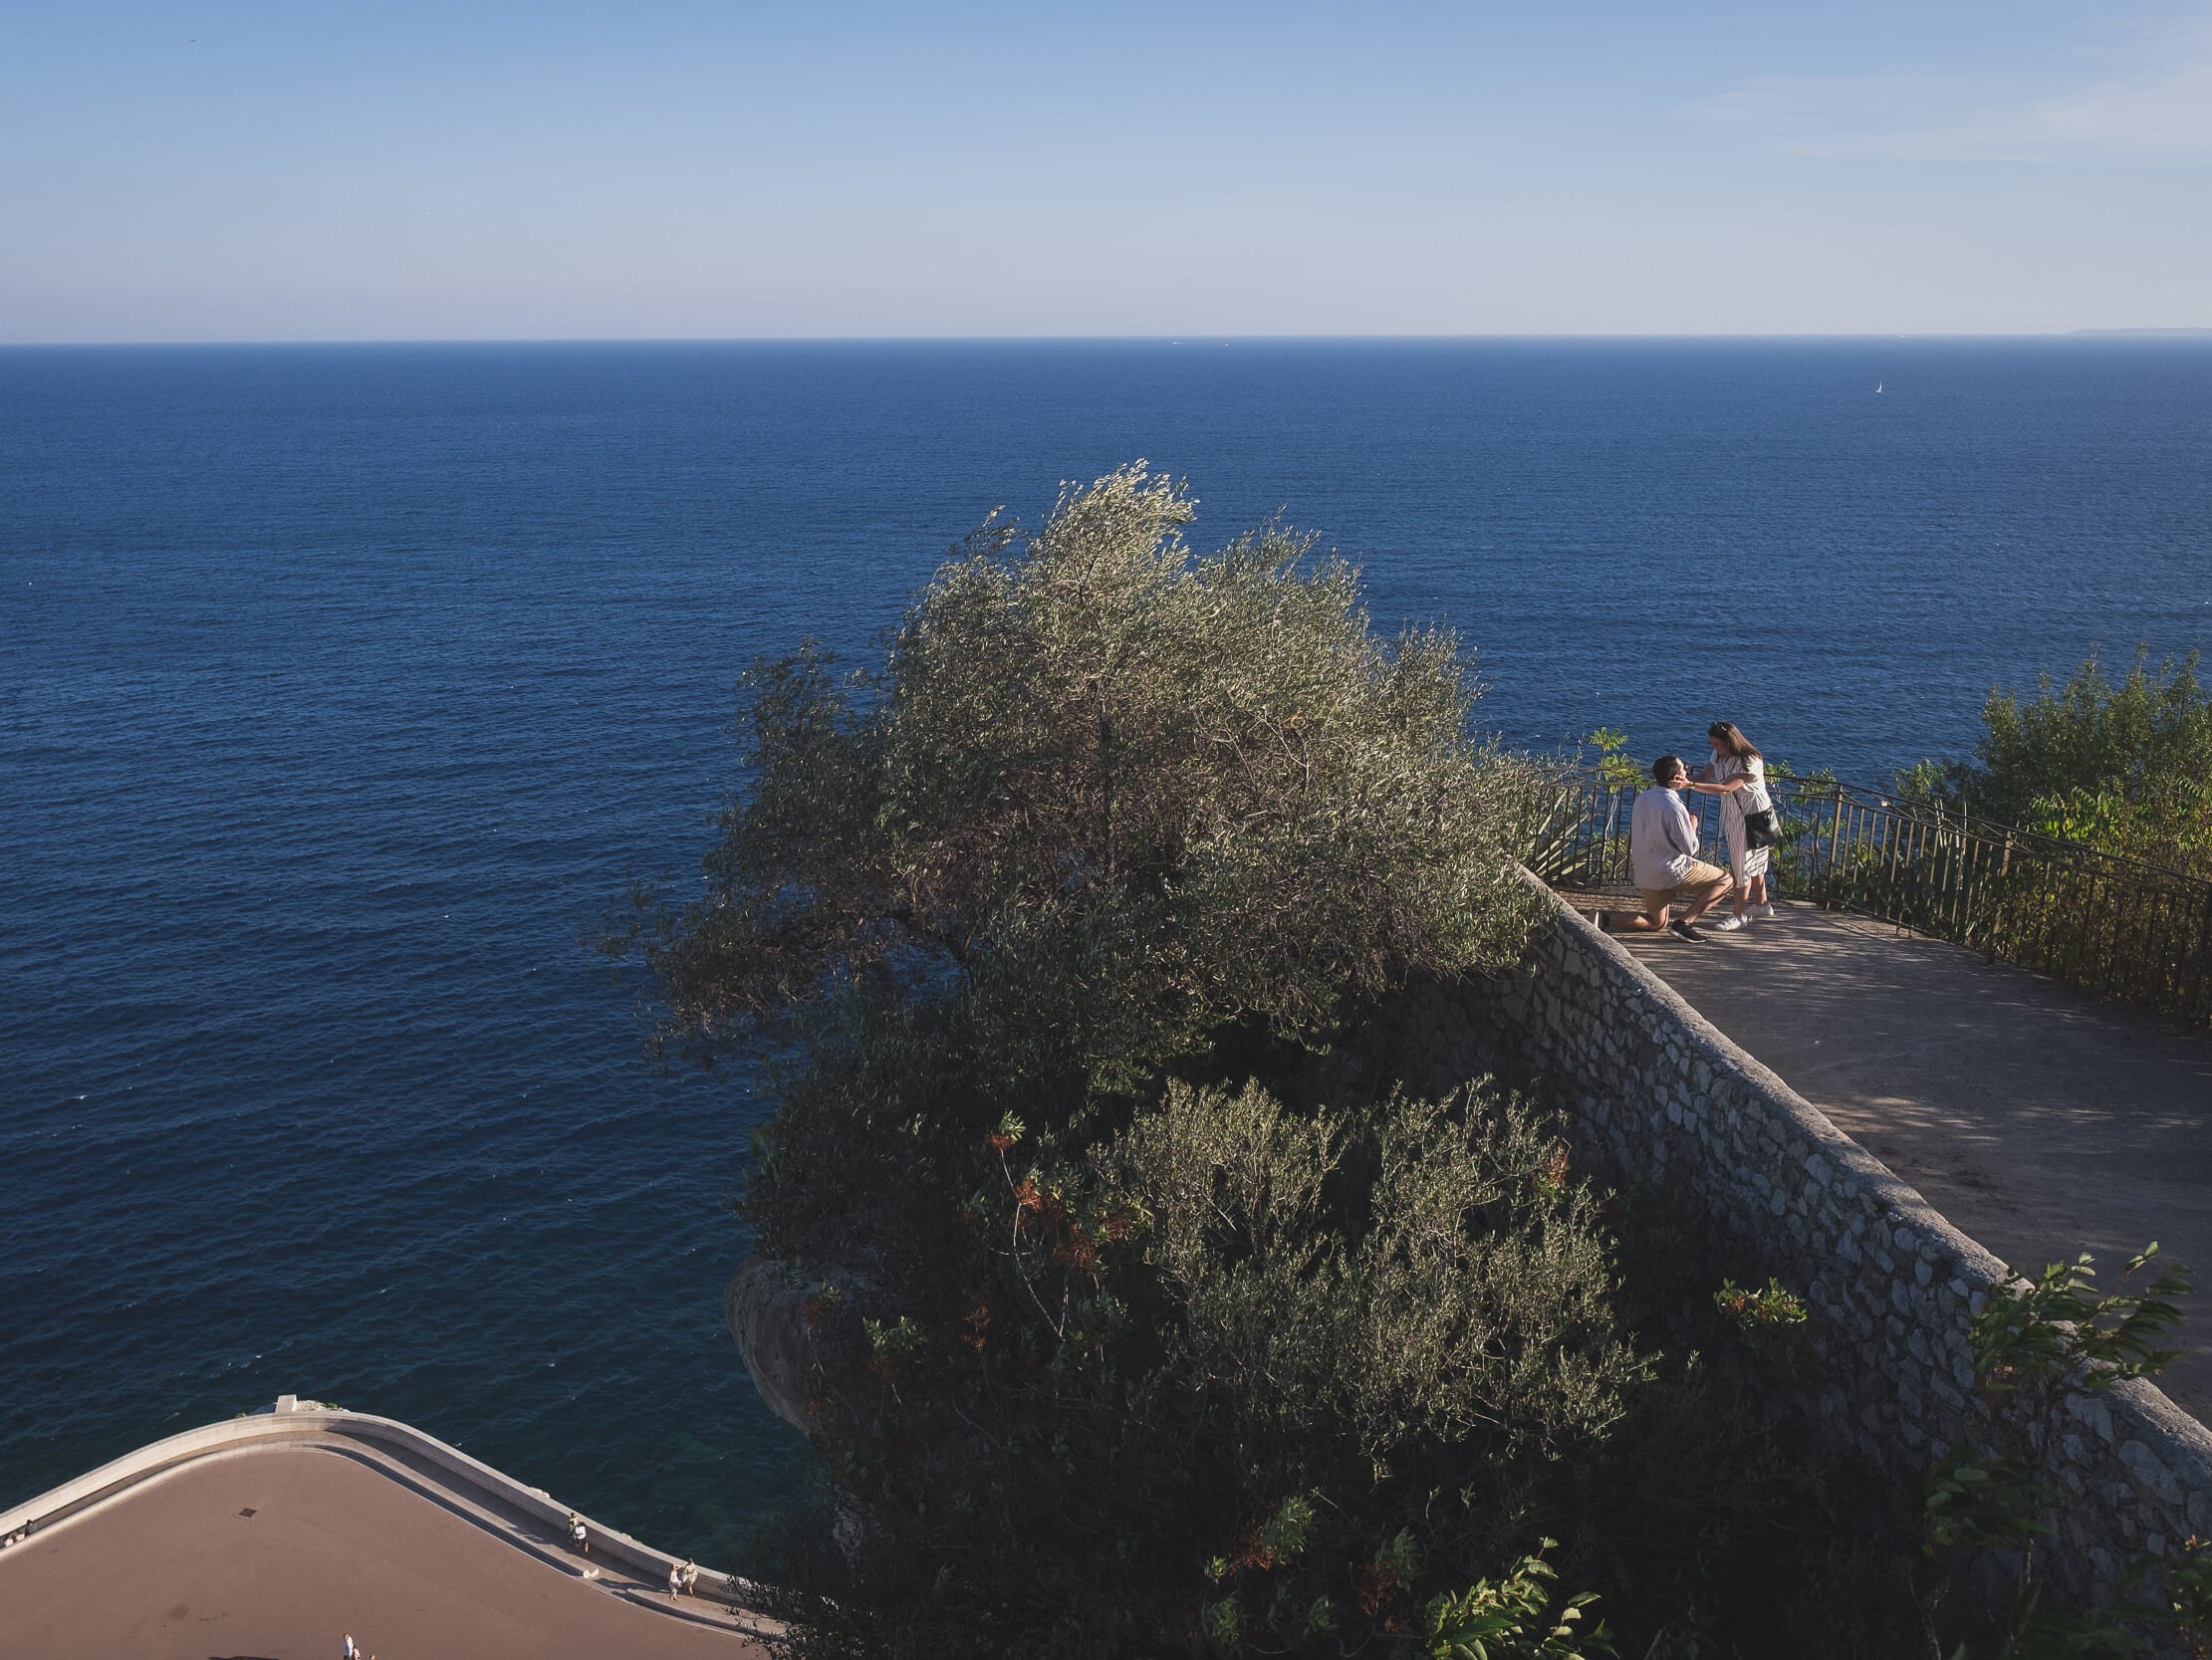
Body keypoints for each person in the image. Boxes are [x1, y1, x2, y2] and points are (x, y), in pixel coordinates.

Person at [1609, 755, 1733, 939]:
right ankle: (1684, 923)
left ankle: (1604, 920)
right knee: (1726, 881)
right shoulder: (1674, 807)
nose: (1687, 771)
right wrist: (1693, 827)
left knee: (1656, 922)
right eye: (1685, 769)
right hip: (1671, 870)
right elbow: (1690, 848)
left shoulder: (1643, 797)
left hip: (1646, 871)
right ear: (1677, 779)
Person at [1687, 721, 1776, 930]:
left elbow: (1726, 788)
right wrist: (1681, 779)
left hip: (1750, 816)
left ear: (1729, 742)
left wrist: (1689, 785)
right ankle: (1762, 904)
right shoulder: (1718, 756)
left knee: (1740, 865)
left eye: (1717, 744)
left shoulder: (1749, 761)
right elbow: (1704, 777)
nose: (1714, 748)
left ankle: (1739, 914)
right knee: (1753, 861)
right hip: (1750, 814)